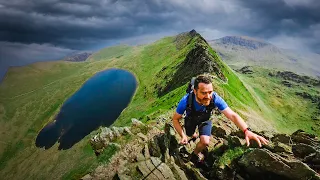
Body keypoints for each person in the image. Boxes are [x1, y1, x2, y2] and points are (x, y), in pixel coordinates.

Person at [172, 75, 269, 163]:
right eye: (203, 93)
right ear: (195, 91)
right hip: (191, 119)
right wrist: (183, 136)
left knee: (205, 141)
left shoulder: (215, 99)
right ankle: (193, 135)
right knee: (189, 134)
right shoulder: (185, 101)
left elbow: (232, 115)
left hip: (205, 120)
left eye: (210, 92)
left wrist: (246, 131)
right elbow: (175, 119)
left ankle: (195, 153)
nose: (208, 96)